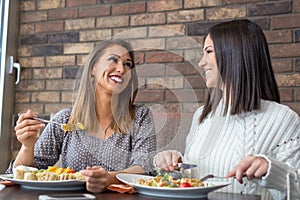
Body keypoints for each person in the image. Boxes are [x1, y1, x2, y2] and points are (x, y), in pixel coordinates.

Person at [154, 19, 300, 200]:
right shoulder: (202, 116)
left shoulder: (284, 119)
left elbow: (296, 189)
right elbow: (193, 181)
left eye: (209, 51)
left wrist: (272, 171)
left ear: (234, 53)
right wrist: (174, 165)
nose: (201, 63)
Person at [6, 39, 156, 193]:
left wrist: (110, 178)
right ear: (93, 67)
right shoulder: (65, 119)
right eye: (113, 59)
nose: (121, 68)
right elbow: (22, 174)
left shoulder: (140, 116)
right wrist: (27, 146)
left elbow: (145, 168)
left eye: (127, 64)